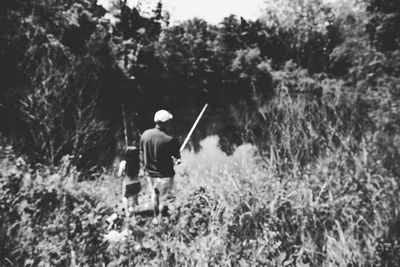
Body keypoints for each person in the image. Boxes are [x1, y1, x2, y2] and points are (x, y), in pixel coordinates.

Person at [140, 110, 180, 221]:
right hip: (165, 175)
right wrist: (176, 161)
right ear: (166, 123)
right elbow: (177, 158)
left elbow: (142, 153)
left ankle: (154, 218)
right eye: (169, 121)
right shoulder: (170, 139)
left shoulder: (145, 135)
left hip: (150, 174)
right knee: (163, 199)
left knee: (154, 196)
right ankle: (161, 219)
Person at [118, 146, 141, 220]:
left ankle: (127, 213)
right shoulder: (138, 163)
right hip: (137, 184)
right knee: (135, 196)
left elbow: (119, 174)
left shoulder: (123, 163)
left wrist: (123, 175)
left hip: (128, 185)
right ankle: (134, 212)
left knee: (125, 197)